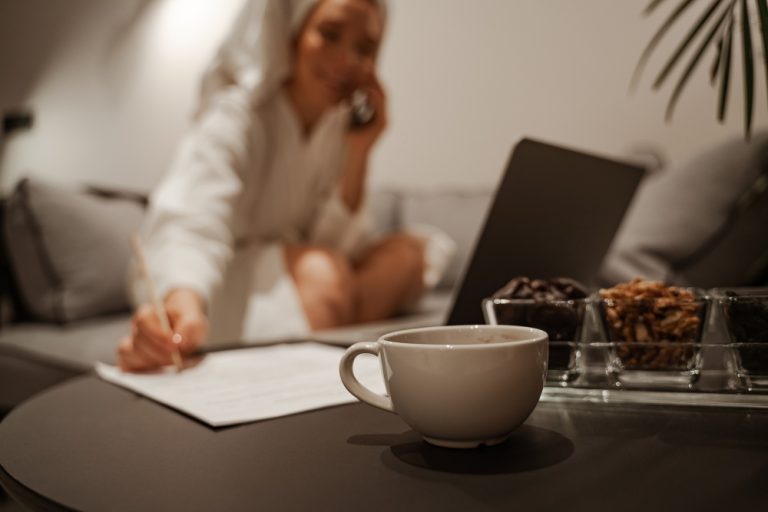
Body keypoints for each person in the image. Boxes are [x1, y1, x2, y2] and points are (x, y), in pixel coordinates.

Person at [117, 0, 453, 372]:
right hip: (221, 281)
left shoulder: (336, 130)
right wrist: (183, 299)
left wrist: (360, 151)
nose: (346, 60)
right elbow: (192, 219)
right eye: (329, 35)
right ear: (290, 32)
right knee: (323, 274)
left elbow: (337, 246)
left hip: (307, 273)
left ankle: (330, 323)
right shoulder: (238, 114)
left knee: (407, 256)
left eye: (365, 48)